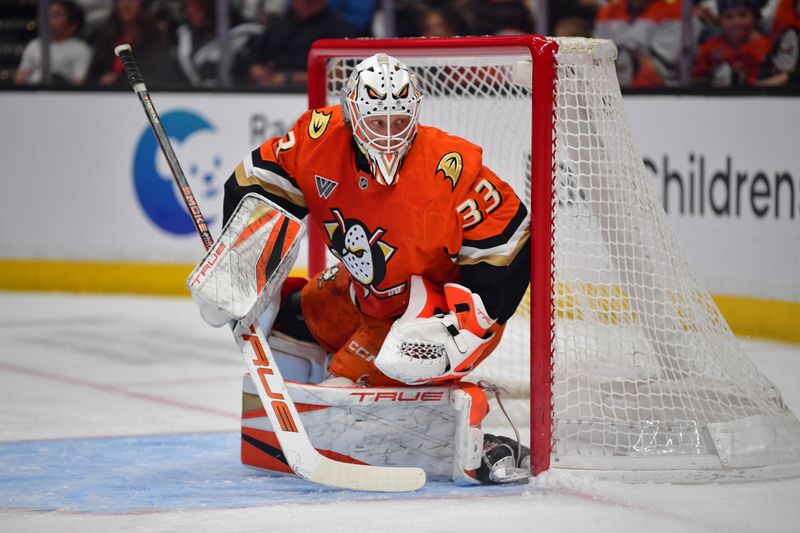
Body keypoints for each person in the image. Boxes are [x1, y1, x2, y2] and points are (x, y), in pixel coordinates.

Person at [219, 53, 531, 483]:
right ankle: (335, 394)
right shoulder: (317, 139)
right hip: (363, 291)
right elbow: (253, 181)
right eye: (376, 123)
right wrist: (237, 265)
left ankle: (460, 429)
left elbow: (512, 240)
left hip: (428, 313)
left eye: (398, 122)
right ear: (351, 115)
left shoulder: (449, 166)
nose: (388, 136)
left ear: (415, 115)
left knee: (352, 389)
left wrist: (470, 323)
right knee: (284, 324)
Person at [240, 0, 355, 87]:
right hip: (270, 91)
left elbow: (341, 73)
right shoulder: (278, 25)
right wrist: (256, 70)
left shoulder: (338, 28)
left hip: (314, 93)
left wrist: (290, 79)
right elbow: (251, 58)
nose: (306, 2)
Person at [593, 0, 695, 87]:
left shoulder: (674, 9)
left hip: (659, 97)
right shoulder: (609, 10)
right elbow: (594, 61)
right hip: (608, 94)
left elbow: (659, 69)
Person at [84, 0, 183, 86]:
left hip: (136, 97)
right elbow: (93, 73)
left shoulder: (154, 36)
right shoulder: (107, 36)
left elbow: (156, 73)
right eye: (120, 0)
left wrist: (117, 81)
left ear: (143, 4)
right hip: (102, 97)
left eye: (132, 0)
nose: (125, 5)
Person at [176, 0, 263, 86]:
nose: (188, 12)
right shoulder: (187, 38)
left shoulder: (249, 36)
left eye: (193, 6)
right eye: (187, 6)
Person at [693, 0, 774, 86]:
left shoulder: (767, 47)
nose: (736, 22)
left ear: (755, 17)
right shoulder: (709, 48)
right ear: (720, 21)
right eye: (728, 17)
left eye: (742, 15)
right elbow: (696, 81)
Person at [14, 0, 92, 85]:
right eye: (47, 15)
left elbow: (79, 81)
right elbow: (20, 77)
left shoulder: (81, 49)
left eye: (56, 15)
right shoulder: (34, 45)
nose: (48, 19)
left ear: (72, 26)